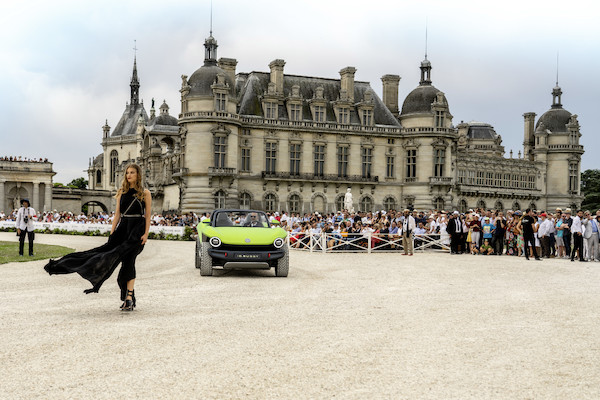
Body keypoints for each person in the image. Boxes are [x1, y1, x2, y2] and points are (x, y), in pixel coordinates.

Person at [45, 163, 152, 311]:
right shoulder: (122, 192)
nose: (129, 175)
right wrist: (112, 233)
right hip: (122, 230)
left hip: (136, 231)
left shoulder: (145, 193)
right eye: (127, 173)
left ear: (138, 174)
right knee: (101, 255)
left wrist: (146, 234)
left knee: (129, 261)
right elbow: (117, 215)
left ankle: (129, 297)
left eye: (132, 172)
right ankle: (65, 264)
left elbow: (147, 216)